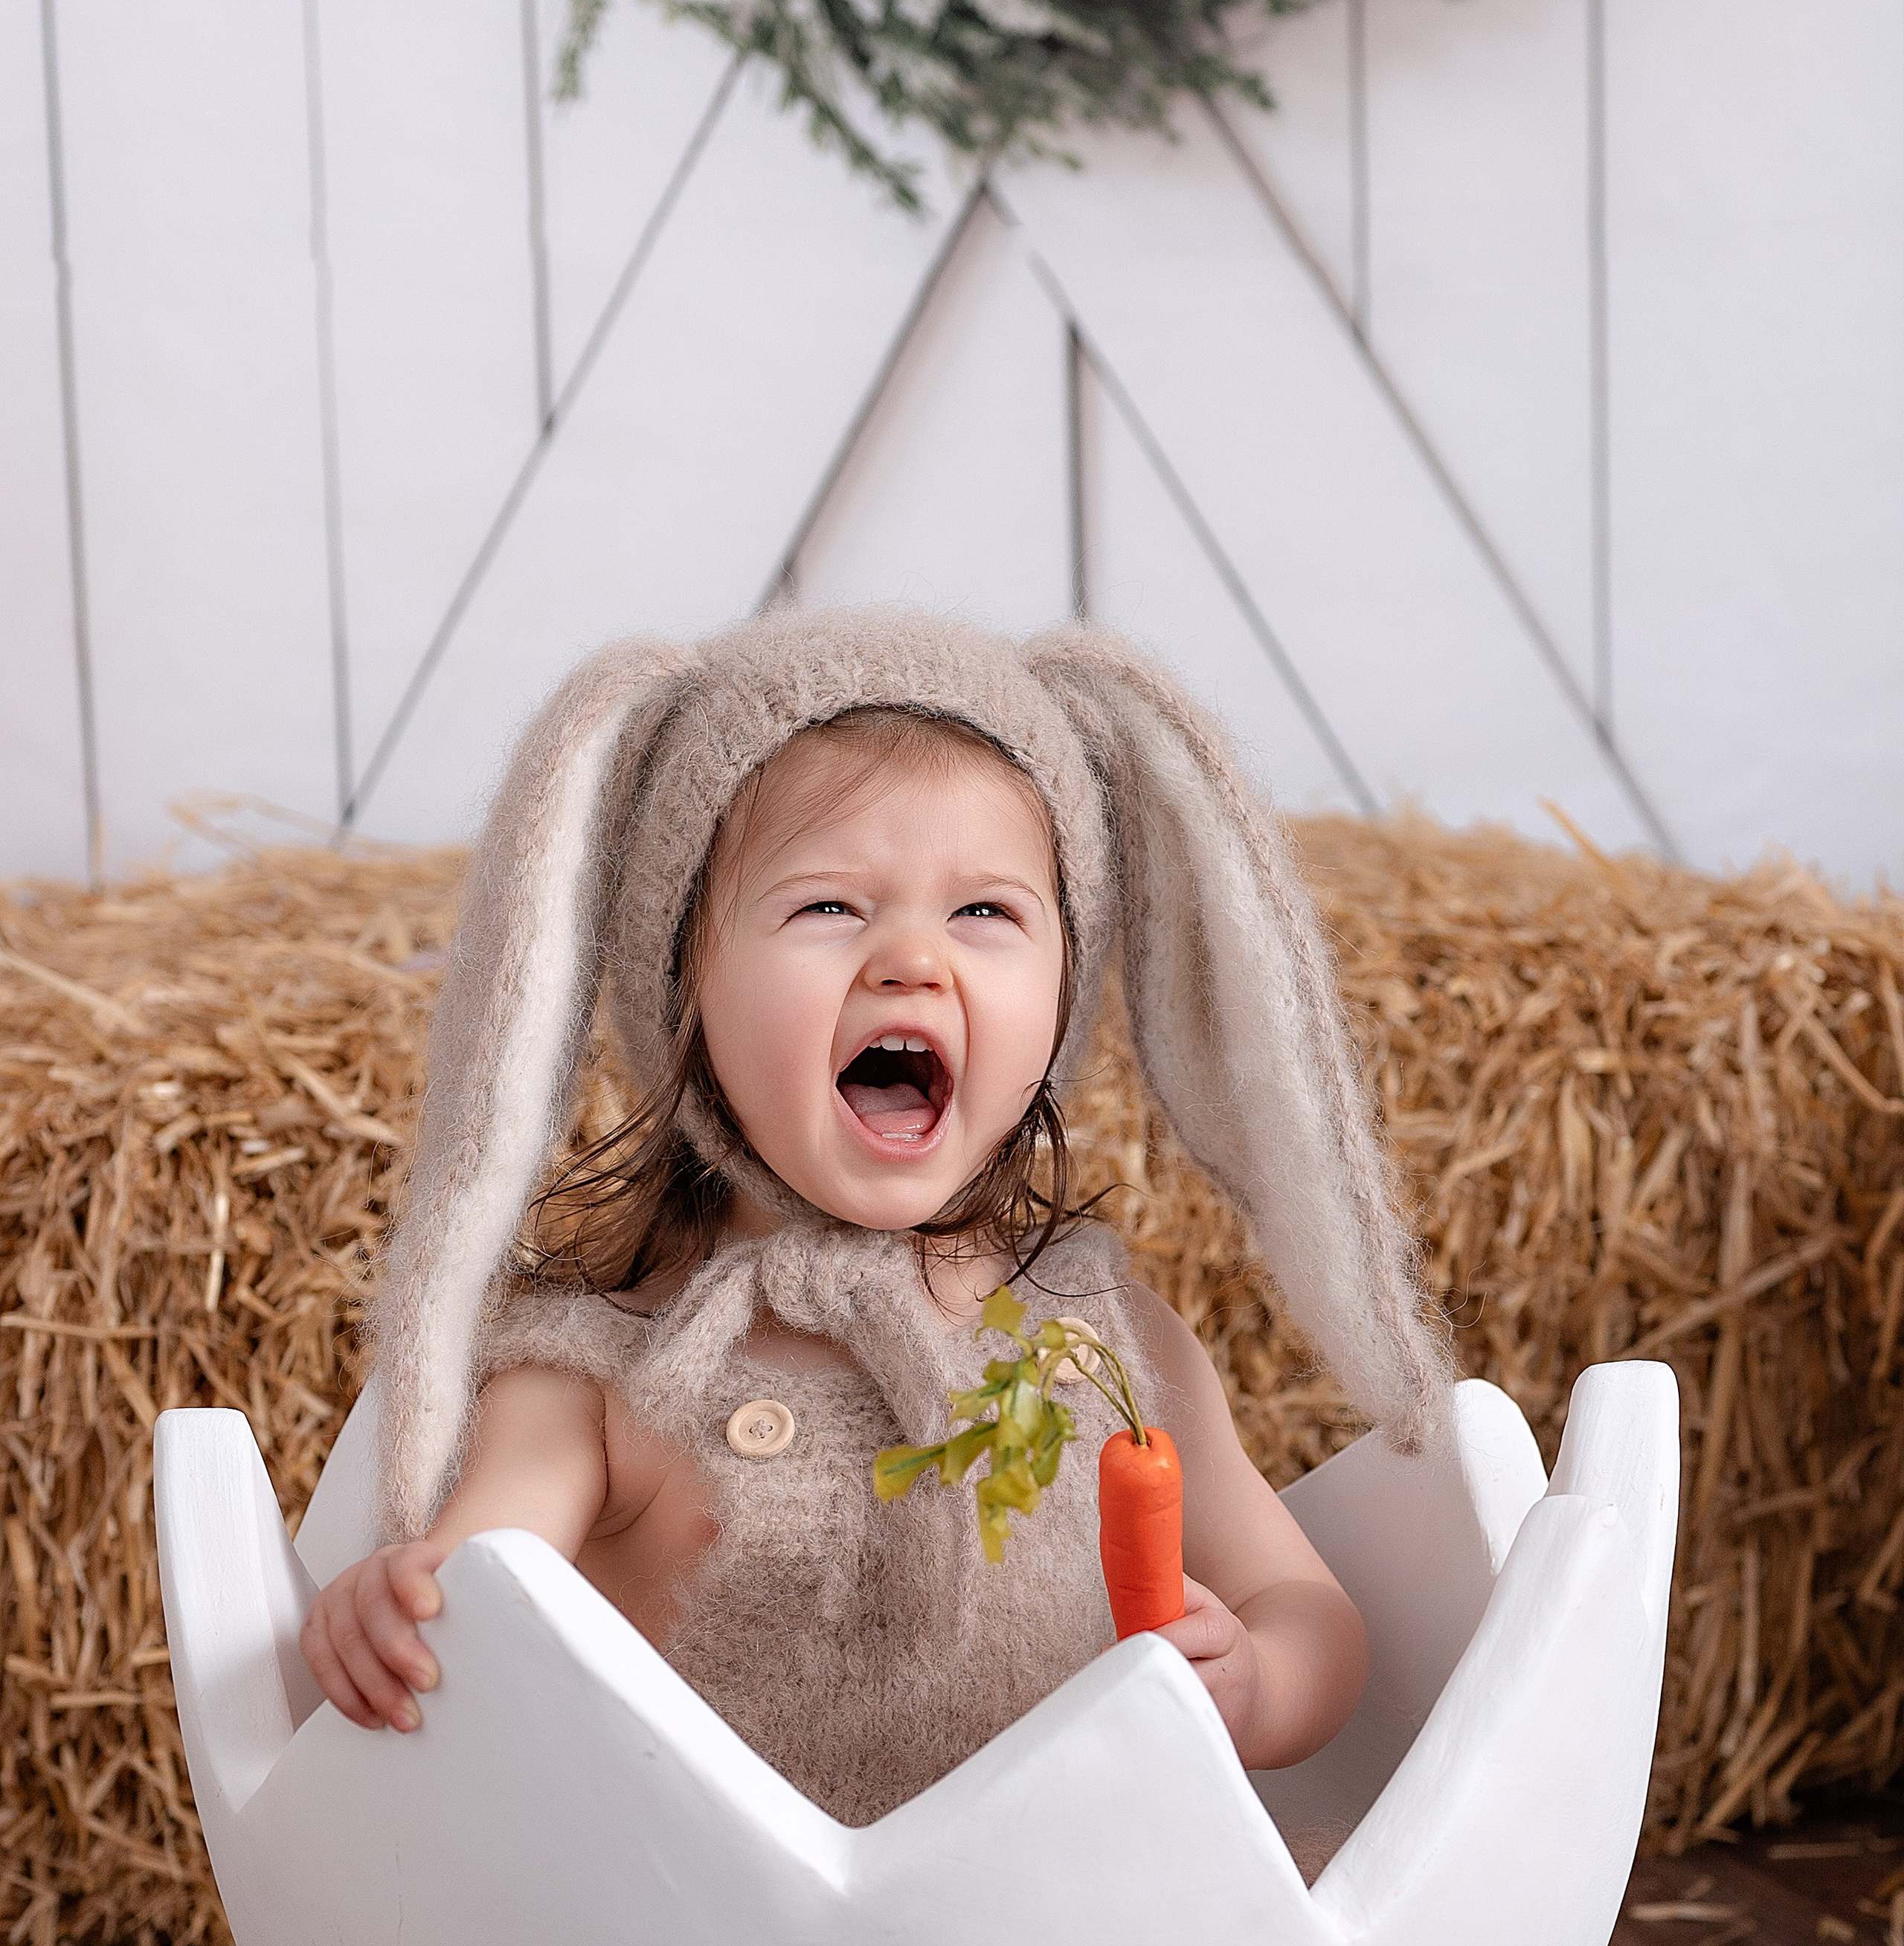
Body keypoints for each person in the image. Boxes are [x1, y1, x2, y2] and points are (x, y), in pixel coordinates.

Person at [300, 611, 1449, 1825]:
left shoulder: (1110, 1350)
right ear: (682, 984)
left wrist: (1258, 1681)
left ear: (1065, 989)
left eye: (986, 914)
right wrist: (390, 1612)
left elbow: (1308, 1613)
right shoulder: (593, 1379)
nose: (913, 960)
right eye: (830, 908)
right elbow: (475, 1600)